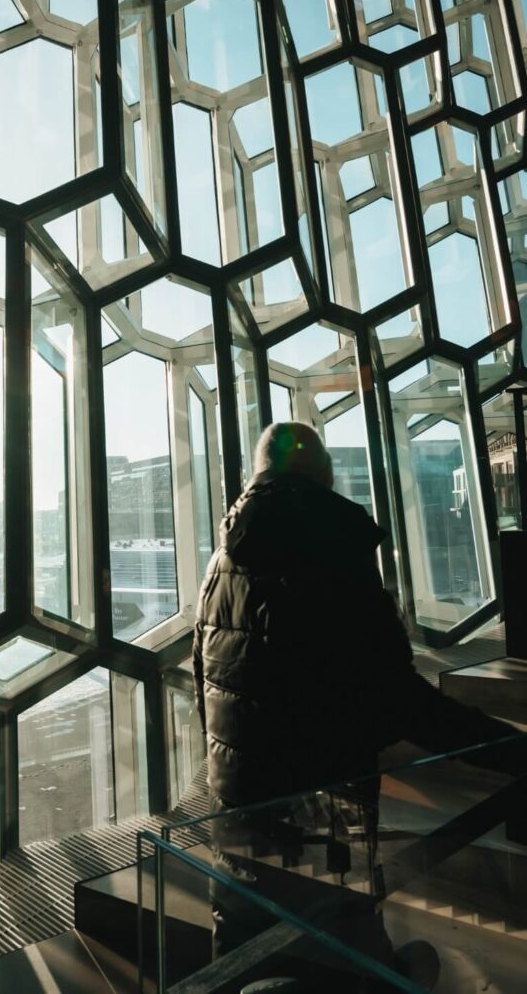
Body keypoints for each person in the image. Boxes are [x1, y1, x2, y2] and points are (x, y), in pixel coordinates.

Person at [192, 421, 524, 987]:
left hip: (237, 810)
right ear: (323, 476)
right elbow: (398, 697)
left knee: (247, 953)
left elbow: (207, 678)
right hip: (322, 811)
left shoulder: (219, 563)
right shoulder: (332, 550)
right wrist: (510, 751)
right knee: (345, 956)